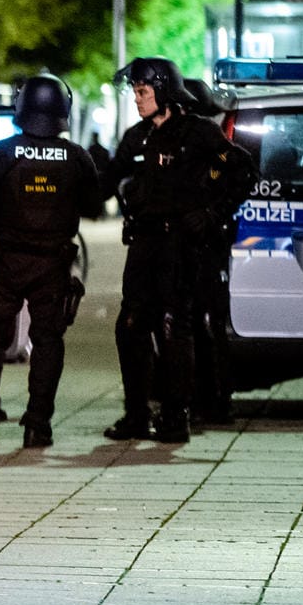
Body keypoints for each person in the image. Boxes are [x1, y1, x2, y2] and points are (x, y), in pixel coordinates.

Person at [100, 57, 240, 443]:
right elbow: (108, 181)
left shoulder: (197, 133)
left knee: (173, 328)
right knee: (129, 327)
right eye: (134, 92)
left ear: (163, 91)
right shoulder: (137, 137)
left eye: (142, 92)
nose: (137, 99)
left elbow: (238, 170)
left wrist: (211, 212)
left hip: (180, 245)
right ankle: (136, 414)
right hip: (143, 243)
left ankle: (176, 417)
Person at [0, 74, 103, 447]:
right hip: (53, 264)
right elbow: (95, 208)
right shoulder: (77, 158)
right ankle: (38, 425)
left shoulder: (0, 155)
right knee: (48, 341)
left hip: (4, 262)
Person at [180, 78, 256, 425]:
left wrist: (215, 213)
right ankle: (197, 397)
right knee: (191, 323)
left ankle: (216, 399)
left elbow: (243, 172)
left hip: (209, 245)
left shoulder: (213, 145)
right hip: (185, 245)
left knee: (209, 324)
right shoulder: (182, 145)